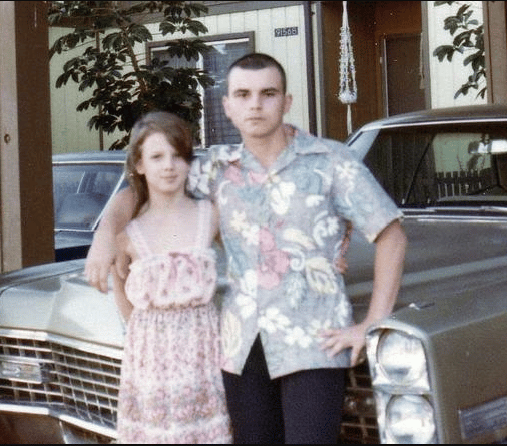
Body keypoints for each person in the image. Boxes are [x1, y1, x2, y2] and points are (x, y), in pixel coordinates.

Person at [86, 53, 407, 444]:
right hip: (240, 347)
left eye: (268, 93)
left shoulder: (332, 161)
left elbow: (391, 234)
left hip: (313, 341)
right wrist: (104, 239)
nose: (255, 104)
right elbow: (142, 192)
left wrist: (371, 322)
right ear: (228, 106)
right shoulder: (215, 169)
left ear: (287, 102)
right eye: (243, 94)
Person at [110, 111, 232, 443]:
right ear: (139, 165)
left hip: (202, 352)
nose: (168, 166)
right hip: (150, 356)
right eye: (157, 157)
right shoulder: (129, 232)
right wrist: (146, 330)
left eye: (178, 155)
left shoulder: (210, 216)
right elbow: (118, 283)